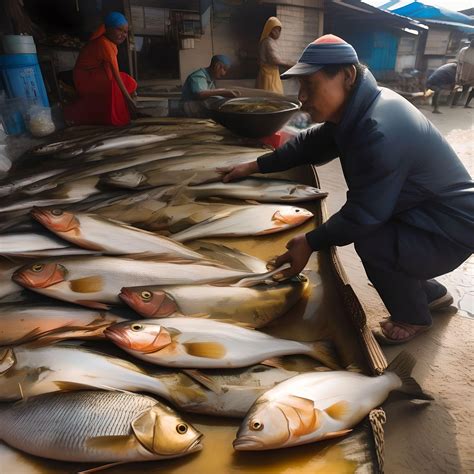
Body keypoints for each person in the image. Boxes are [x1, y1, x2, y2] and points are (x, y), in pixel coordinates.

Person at [222, 34, 473, 345]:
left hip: (449, 231)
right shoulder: (359, 110)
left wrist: (310, 241)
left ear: (347, 76)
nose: (301, 96)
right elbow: (307, 144)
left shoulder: (378, 128)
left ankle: (413, 316)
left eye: (310, 86)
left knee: (371, 241)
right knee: (379, 230)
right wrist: (254, 166)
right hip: (422, 217)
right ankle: (430, 293)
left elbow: (364, 214)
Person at [64, 12, 137, 127]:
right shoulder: (104, 44)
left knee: (127, 81)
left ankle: (122, 111)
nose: (123, 35)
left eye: (125, 32)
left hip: (94, 74)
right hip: (84, 78)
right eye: (119, 30)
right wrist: (128, 99)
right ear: (107, 29)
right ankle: (116, 116)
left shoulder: (109, 42)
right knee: (116, 84)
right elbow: (116, 74)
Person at [256, 17, 291, 94]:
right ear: (271, 30)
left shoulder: (270, 41)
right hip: (269, 77)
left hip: (271, 75)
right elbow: (274, 60)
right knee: (271, 98)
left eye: (279, 30)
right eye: (277, 30)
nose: (279, 32)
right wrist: (291, 65)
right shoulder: (268, 42)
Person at [454, 35, 474, 108]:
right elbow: (460, 62)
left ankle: (464, 103)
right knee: (460, 87)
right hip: (463, 73)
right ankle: (455, 103)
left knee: (465, 88)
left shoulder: (464, 50)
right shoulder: (464, 50)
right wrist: (458, 74)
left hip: (469, 73)